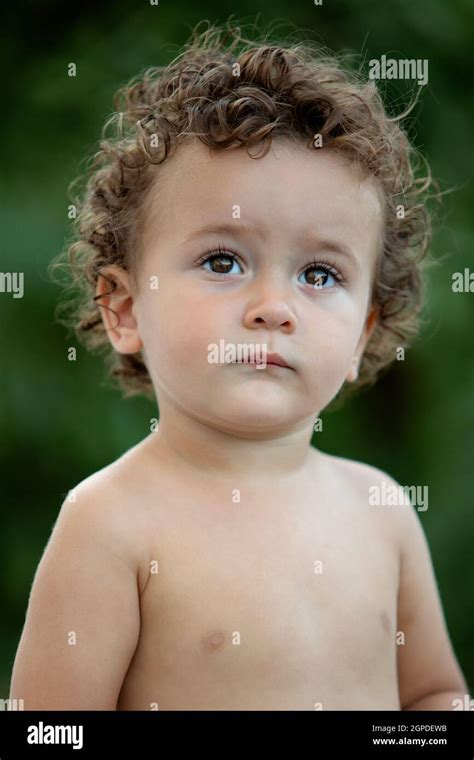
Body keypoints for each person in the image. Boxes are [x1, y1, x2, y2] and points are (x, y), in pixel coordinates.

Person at [10, 19, 469, 710]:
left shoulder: (381, 511)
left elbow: (434, 695)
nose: (273, 306)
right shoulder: (110, 525)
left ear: (361, 333)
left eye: (319, 273)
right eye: (223, 261)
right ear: (126, 308)